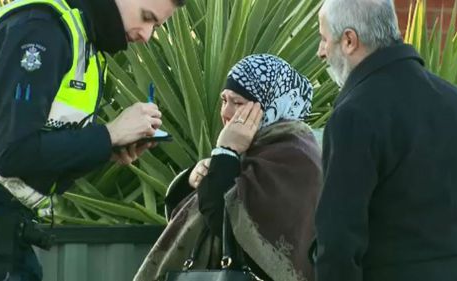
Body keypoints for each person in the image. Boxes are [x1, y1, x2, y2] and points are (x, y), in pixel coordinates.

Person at [0, 0, 185, 280]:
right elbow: (12, 153)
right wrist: (108, 134)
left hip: (0, 228)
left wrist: (106, 147)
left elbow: (34, 152)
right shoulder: (42, 29)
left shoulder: (80, 38)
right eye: (146, 18)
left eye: (155, 26)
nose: (146, 36)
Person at [313, 0, 457, 280]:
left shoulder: (354, 114)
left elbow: (338, 239)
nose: (320, 52)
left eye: (324, 39)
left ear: (349, 40)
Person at [134, 54, 322, 281]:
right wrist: (194, 178)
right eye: (224, 100)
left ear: (271, 105)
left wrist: (225, 152)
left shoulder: (294, 158)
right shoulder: (256, 150)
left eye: (238, 103)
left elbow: (226, 225)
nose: (225, 112)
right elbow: (200, 212)